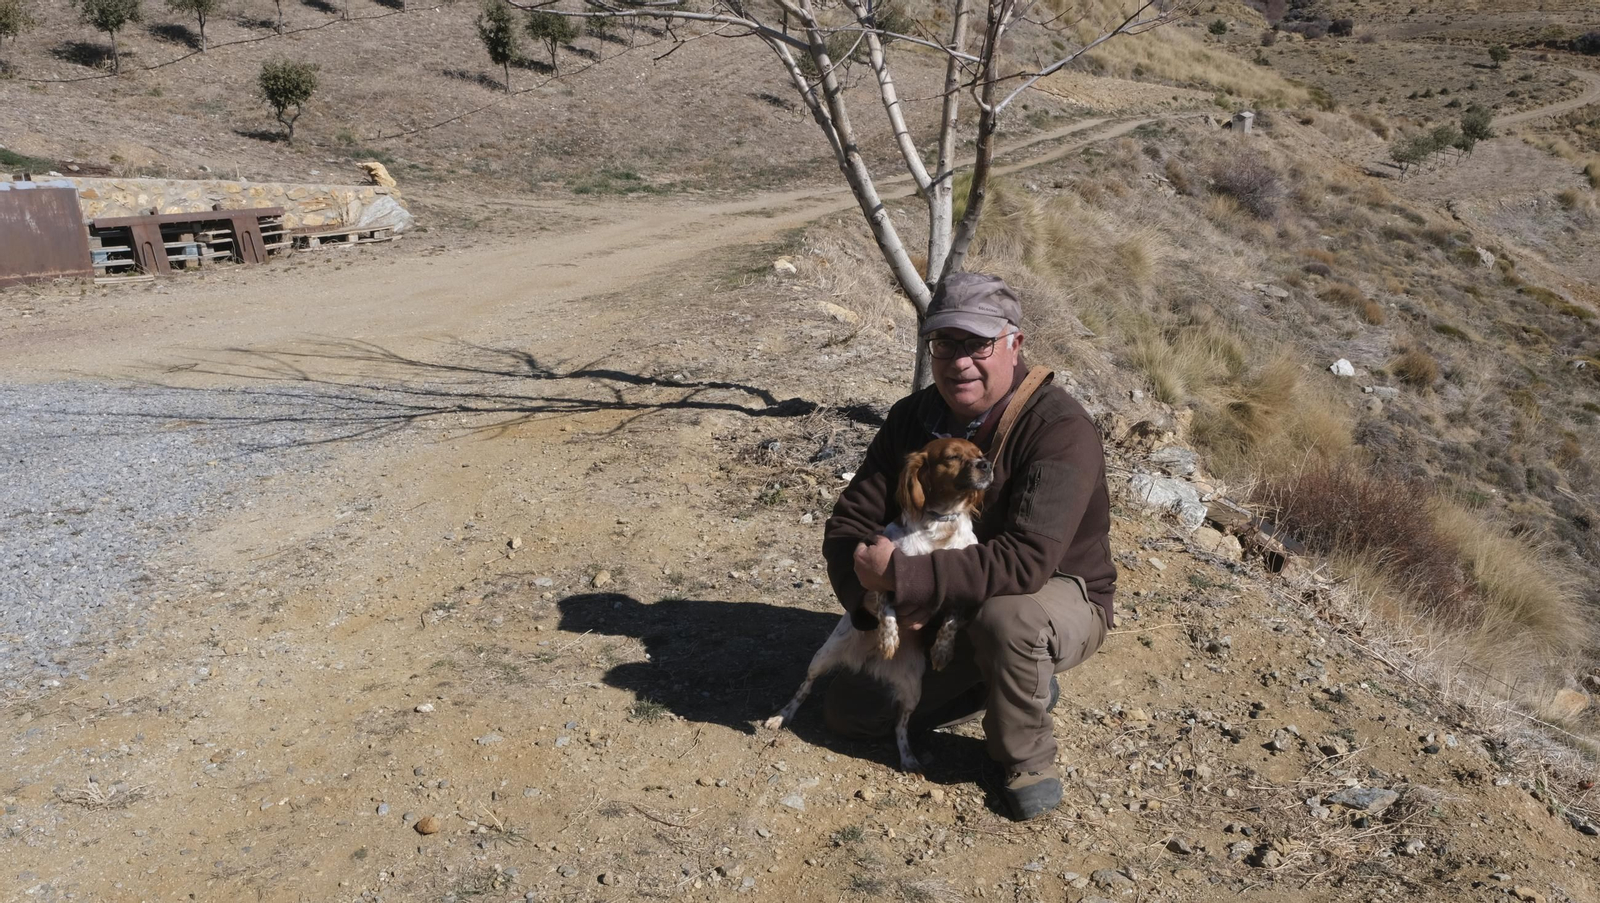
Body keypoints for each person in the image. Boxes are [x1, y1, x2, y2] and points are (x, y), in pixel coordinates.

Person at [821, 272, 1116, 821]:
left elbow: (1027, 561)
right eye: (945, 342)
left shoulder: (1059, 428)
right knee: (849, 713)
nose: (959, 361)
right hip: (945, 599)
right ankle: (999, 683)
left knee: (1006, 620)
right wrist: (869, 600)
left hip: (1054, 590)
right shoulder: (912, 418)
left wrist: (903, 580)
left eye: (977, 344)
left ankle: (1025, 759)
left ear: (1014, 344)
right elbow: (849, 525)